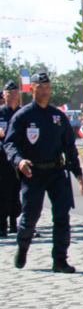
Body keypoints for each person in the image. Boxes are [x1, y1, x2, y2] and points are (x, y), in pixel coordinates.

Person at [4, 70, 83, 273]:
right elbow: (10, 144)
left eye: (47, 88)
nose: (44, 92)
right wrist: (19, 161)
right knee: (30, 216)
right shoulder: (23, 116)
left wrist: (77, 171)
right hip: (33, 173)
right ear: (32, 89)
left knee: (62, 216)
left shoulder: (57, 116)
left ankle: (60, 260)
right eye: (40, 88)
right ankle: (22, 246)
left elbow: (69, 146)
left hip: (56, 172)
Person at [0, 81, 23, 237]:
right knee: (4, 192)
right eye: (9, 92)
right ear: (4, 95)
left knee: (18, 191)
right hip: (3, 159)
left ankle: (15, 223)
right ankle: (2, 225)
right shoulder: (1, 112)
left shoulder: (23, 113)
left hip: (20, 157)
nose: (12, 94)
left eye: (15, 92)